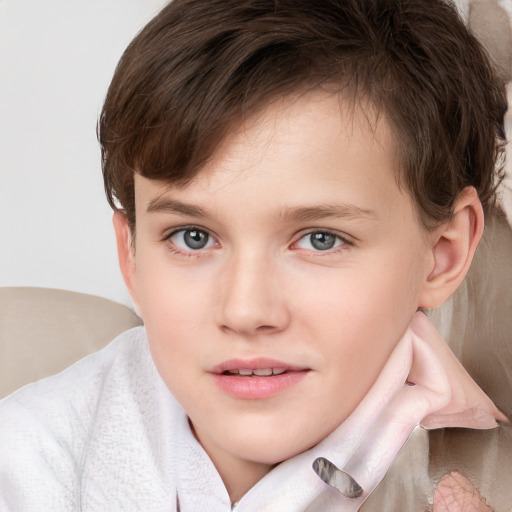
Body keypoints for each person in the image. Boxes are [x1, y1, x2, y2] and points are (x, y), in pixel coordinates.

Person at [0, 0, 510, 510]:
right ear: (131, 257)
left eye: (319, 239)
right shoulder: (30, 461)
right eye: (192, 237)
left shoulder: (479, 480)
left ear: (442, 255)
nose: (245, 312)